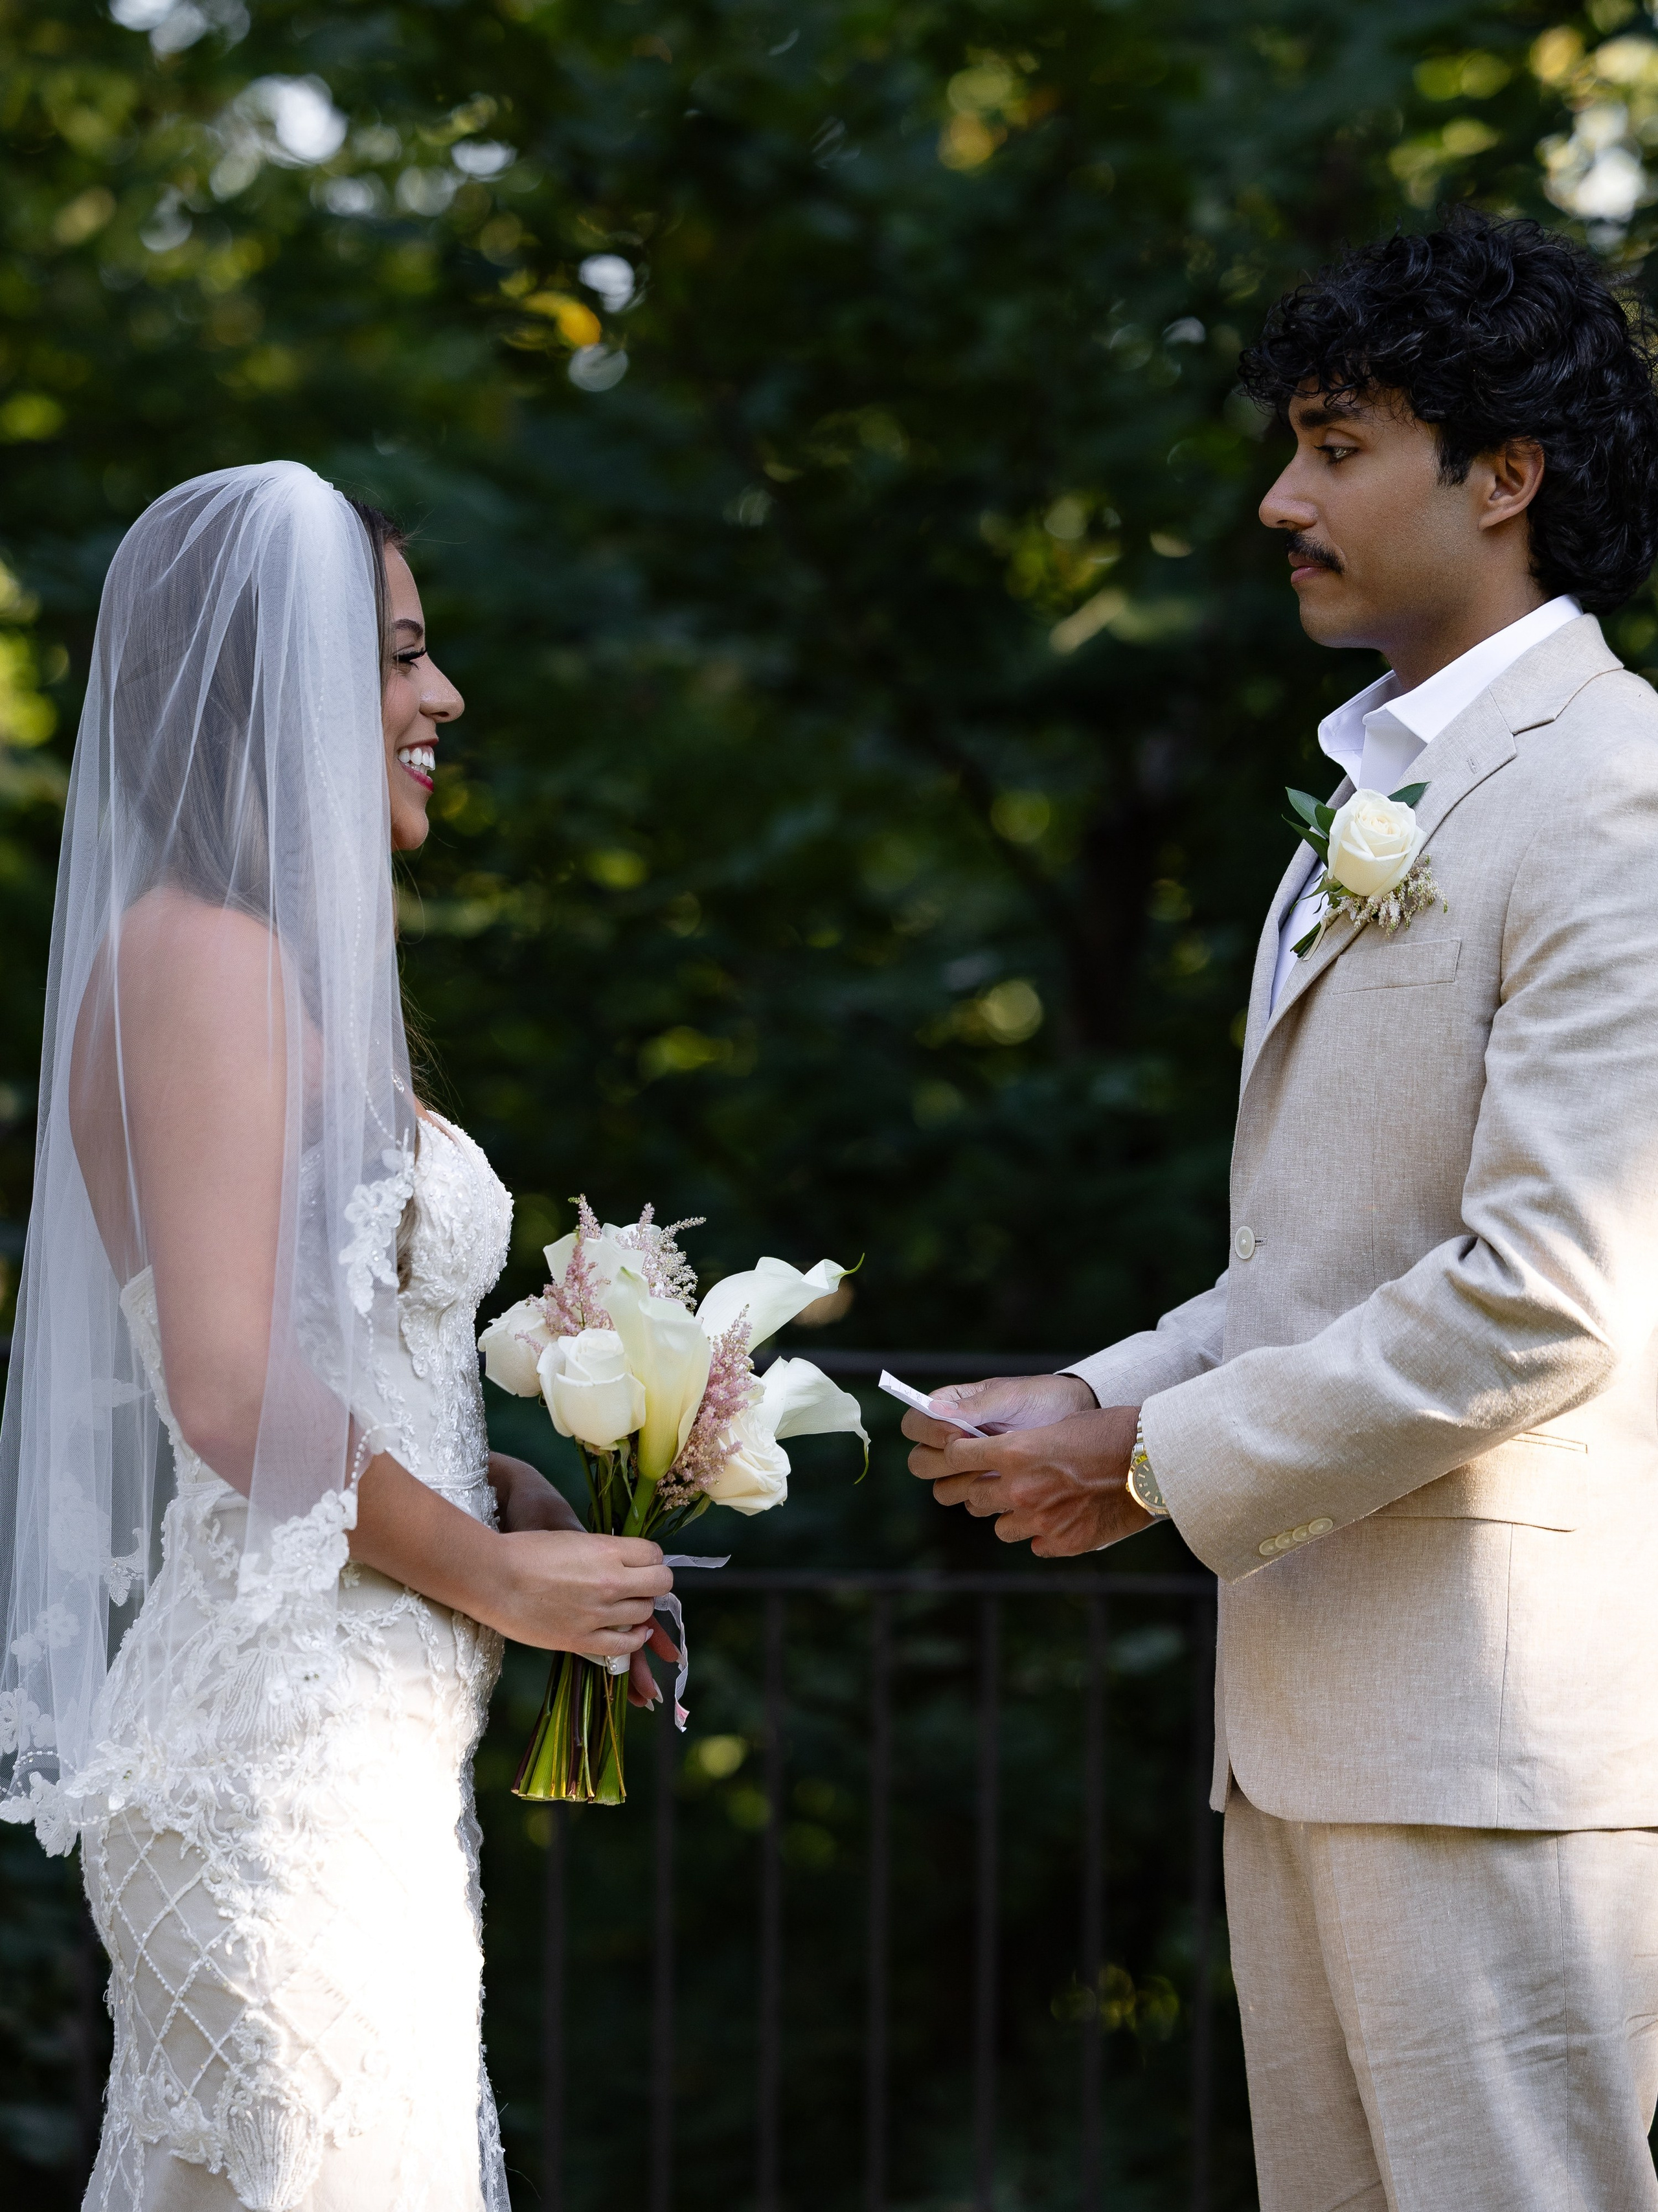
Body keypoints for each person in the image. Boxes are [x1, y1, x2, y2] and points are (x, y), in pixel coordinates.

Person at [905, 211, 1658, 2210]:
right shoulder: (1378, 795)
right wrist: (1080, 1389)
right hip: (1311, 1717)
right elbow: (1316, 1268)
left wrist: (1144, 1456)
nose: (1279, 498)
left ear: (1505, 478)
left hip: (1500, 1745)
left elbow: (1544, 1298)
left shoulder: (1616, 795)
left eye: (1337, 446)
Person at [0, 462, 676, 2212]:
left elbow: (313, 1366)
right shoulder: (203, 954)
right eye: (398, 657)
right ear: (282, 690)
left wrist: (501, 1481)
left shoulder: (275, 968)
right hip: (271, 1773)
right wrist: (500, 1582)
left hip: (359, 1757)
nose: (440, 698)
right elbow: (224, 1389)